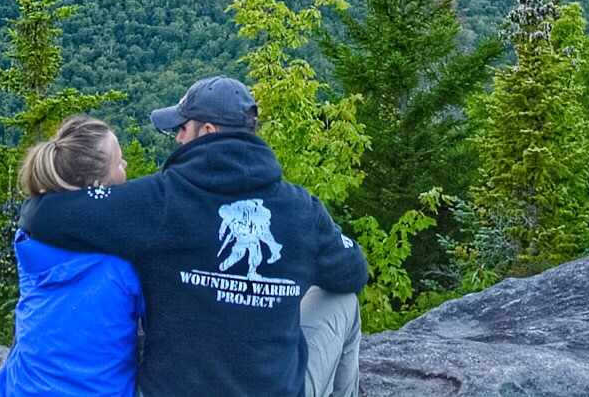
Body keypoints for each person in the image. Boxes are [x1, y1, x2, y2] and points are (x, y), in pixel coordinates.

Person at [20, 76, 367, 397]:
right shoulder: (302, 210)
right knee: (343, 302)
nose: (178, 139)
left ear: (208, 131)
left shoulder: (160, 201)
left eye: (182, 128)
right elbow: (353, 271)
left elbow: (46, 214)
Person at [0, 115, 143, 397]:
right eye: (119, 161)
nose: (126, 166)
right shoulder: (123, 259)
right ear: (99, 185)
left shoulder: (30, 237)